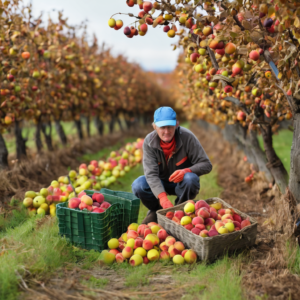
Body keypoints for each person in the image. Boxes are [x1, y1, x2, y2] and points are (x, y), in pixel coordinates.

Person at [132, 107, 213, 224]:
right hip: (160, 182)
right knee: (138, 185)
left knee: (191, 179)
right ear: (154, 126)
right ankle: (157, 211)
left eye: (170, 127)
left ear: (176, 124)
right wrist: (163, 199)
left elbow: (206, 164)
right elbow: (151, 174)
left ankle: (180, 211)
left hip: (182, 182)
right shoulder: (149, 142)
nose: (166, 131)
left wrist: (186, 171)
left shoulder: (187, 137)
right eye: (162, 127)